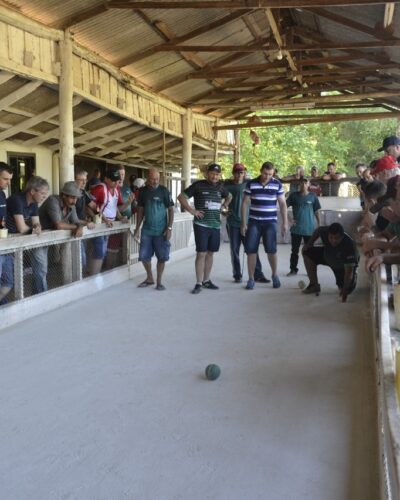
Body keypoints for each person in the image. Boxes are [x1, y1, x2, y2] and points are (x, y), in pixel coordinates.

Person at [178, 163, 232, 294]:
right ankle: (198, 282)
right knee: (201, 253)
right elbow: (181, 197)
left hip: (215, 225)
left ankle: (206, 280)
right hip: (201, 225)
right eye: (212, 173)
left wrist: (224, 206)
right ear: (207, 173)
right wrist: (192, 210)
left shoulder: (221, 187)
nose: (215, 176)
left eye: (217, 174)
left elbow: (229, 196)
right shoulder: (198, 185)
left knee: (210, 253)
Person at [241, 161, 288, 290]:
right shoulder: (251, 184)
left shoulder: (277, 184)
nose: (267, 176)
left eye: (270, 174)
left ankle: (274, 275)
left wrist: (285, 222)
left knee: (271, 250)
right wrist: (244, 223)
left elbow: (283, 204)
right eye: (265, 173)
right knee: (251, 251)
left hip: (270, 222)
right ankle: (251, 279)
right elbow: (245, 203)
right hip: (254, 222)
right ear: (261, 170)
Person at [39, 181, 95, 287]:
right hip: (38, 237)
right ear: (63, 195)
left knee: (51, 266)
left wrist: (87, 223)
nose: (74, 201)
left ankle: (63, 287)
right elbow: (59, 225)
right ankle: (40, 296)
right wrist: (78, 227)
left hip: (54, 238)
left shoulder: (71, 205)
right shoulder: (53, 200)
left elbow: (76, 220)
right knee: (41, 269)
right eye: (72, 197)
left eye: (76, 198)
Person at [223, 163, 269, 284]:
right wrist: (223, 210)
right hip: (233, 223)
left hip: (249, 222)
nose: (239, 174)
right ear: (233, 173)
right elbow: (219, 200)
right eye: (237, 172)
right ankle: (237, 274)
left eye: (241, 172)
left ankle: (258, 274)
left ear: (245, 173)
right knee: (234, 249)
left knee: (252, 249)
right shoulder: (226, 186)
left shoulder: (250, 184)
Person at [132, 168, 174, 290]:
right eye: (152, 179)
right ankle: (150, 278)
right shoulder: (143, 192)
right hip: (147, 230)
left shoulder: (164, 191)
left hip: (161, 231)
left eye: (156, 179)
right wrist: (137, 228)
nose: (154, 181)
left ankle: (159, 282)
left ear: (159, 178)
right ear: (147, 179)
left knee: (162, 257)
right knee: (144, 256)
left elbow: (171, 210)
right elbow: (140, 211)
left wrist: (169, 227)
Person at [6, 176, 49, 294]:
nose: (45, 196)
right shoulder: (17, 200)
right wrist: (35, 230)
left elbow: (36, 224)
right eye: (43, 193)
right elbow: (22, 228)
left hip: (20, 241)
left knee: (41, 270)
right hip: (7, 241)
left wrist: (37, 228)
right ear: (32, 191)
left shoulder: (34, 203)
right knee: (8, 280)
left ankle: (39, 295)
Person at [302, 222, 359, 302]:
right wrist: (310, 243)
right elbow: (318, 230)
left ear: (342, 237)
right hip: (327, 255)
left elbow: (348, 272)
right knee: (306, 251)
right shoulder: (325, 231)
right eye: (331, 237)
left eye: (336, 238)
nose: (333, 241)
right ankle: (314, 285)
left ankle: (354, 277)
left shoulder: (349, 245)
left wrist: (345, 290)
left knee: (347, 289)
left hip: (342, 266)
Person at [88, 168, 129, 275]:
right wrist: (103, 219)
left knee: (102, 250)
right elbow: (89, 206)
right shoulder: (100, 189)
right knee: (100, 250)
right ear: (106, 179)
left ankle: (94, 274)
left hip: (109, 225)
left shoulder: (116, 190)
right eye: (113, 180)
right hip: (99, 225)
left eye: (117, 180)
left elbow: (114, 207)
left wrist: (120, 217)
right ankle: (93, 275)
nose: (116, 183)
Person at [286, 177, 321, 276]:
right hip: (296, 229)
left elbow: (317, 211)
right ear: (299, 184)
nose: (303, 185)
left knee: (310, 251)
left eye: (305, 183)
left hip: (309, 229)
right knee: (294, 251)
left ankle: (311, 270)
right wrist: (289, 219)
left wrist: (319, 224)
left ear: (309, 184)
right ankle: (293, 269)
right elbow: (283, 206)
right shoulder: (293, 196)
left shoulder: (313, 196)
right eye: (301, 183)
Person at [0, 162, 13, 304]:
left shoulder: (2, 194)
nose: (9, 183)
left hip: (5, 244)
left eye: (10, 179)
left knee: (8, 283)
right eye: (5, 179)